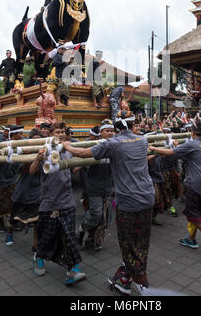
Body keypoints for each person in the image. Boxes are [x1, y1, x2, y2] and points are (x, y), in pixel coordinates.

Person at [63, 110, 155, 296]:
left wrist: (67, 146)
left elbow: (81, 152)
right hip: (147, 197)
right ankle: (124, 282)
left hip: (129, 202)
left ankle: (142, 282)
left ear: (116, 129)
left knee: (128, 244)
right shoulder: (142, 140)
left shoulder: (113, 143)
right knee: (141, 241)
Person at [149, 119, 201, 258]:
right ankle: (191, 239)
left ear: (192, 132)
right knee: (200, 212)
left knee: (191, 212)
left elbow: (171, 153)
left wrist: (154, 149)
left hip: (197, 183)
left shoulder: (191, 144)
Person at [30, 122, 85, 285]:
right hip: (49, 201)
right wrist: (37, 158)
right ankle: (39, 257)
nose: (60, 134)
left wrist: (85, 160)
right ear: (50, 134)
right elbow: (32, 171)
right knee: (46, 234)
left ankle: (73, 269)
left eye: (62, 132)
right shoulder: (44, 150)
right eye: (57, 132)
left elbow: (73, 170)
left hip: (67, 199)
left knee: (69, 235)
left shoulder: (68, 151)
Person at [9, 128, 44, 276]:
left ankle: (35, 245)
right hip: (23, 189)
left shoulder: (46, 151)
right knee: (14, 216)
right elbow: (23, 171)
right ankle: (9, 232)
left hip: (38, 190)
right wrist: (29, 156)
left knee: (37, 220)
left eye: (39, 140)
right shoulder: (22, 151)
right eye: (34, 140)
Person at [77, 119, 114, 251]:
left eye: (112, 130)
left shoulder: (116, 145)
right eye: (107, 130)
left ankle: (94, 240)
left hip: (108, 186)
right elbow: (80, 161)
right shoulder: (94, 146)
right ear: (101, 132)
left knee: (105, 218)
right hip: (94, 186)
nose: (110, 133)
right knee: (96, 213)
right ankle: (82, 228)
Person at [0, 125, 21, 234]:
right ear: (13, 135)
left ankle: (12, 221)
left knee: (13, 201)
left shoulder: (20, 146)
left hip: (12, 179)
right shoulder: (2, 145)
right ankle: (0, 222)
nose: (22, 136)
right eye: (20, 134)